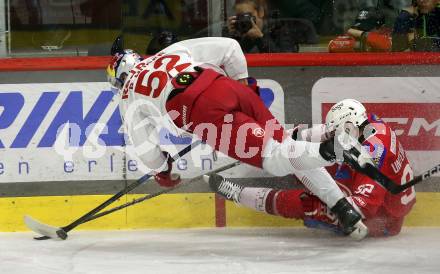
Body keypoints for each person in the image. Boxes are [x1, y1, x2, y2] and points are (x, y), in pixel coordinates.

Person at [106, 36, 370, 239]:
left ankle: (332, 150)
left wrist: (164, 171)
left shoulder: (127, 96)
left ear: (119, 78)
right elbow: (230, 47)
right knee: (289, 149)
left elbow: (146, 150)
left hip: (203, 113)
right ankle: (343, 208)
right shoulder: (169, 52)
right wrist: (243, 86)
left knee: (276, 161)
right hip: (225, 86)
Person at [206, 99, 416, 237]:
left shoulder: (373, 155)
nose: (332, 135)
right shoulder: (365, 123)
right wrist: (284, 142)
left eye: (336, 133)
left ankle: (239, 195)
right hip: (374, 191)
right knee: (303, 157)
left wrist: (324, 204)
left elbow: (361, 208)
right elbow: (320, 133)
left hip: (383, 219)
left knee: (306, 203)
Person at [223, 0, 314, 53]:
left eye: (248, 15)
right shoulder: (237, 35)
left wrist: (260, 38)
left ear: (261, 12)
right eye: (240, 16)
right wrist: (232, 37)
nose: (244, 20)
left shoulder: (279, 29)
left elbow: (283, 60)